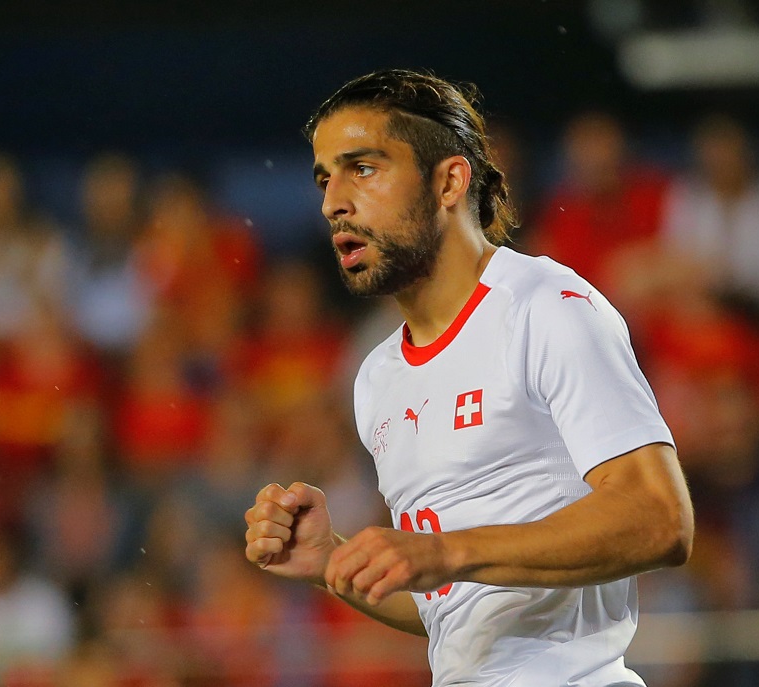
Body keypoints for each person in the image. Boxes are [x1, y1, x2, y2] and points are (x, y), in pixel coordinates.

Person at [244, 69, 695, 687]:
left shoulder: (546, 305)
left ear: (450, 180)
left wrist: (446, 550)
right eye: (325, 177)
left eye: (363, 168)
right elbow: (452, 611)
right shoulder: (375, 378)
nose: (332, 202)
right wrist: (330, 562)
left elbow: (660, 519)